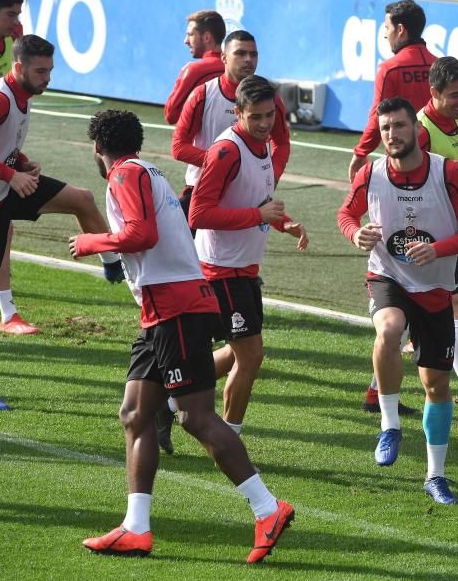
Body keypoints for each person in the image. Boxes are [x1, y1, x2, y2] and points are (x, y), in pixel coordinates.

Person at [71, 109, 294, 563]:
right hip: (162, 310)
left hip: (175, 308)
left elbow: (142, 234)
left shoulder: (124, 176)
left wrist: (93, 243)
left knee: (195, 417)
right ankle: (136, 527)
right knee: (135, 413)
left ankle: (268, 508)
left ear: (98, 149)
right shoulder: (147, 171)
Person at [0, 35, 123, 410]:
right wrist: (9, 174)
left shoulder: (22, 95)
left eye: (50, 70)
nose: (47, 78)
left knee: (81, 199)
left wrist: (20, 163)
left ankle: (116, 268)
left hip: (5, 186)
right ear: (19, 68)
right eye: (41, 71)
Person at [338, 97, 458, 504]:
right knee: (388, 329)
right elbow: (346, 215)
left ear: (417, 130)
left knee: (435, 385)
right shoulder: (370, 174)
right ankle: (389, 425)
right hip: (388, 275)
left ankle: (435, 476)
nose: (391, 135)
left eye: (399, 126)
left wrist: (438, 249)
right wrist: (356, 234)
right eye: (385, 128)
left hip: (437, 286)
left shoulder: (449, 173)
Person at [359, 56, 458, 427]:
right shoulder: (419, 131)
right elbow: (401, 167)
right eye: (455, 95)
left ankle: (377, 392)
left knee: (410, 314)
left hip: (440, 238)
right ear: (435, 93)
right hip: (426, 242)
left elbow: (456, 160)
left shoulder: (454, 120)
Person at [188, 74, 308, 439]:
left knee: (236, 352)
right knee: (251, 356)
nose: (264, 123)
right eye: (255, 116)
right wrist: (260, 217)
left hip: (244, 267)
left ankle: (165, 397)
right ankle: (229, 437)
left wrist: (282, 222)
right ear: (237, 113)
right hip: (220, 268)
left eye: (269, 115)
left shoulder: (264, 147)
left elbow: (256, 202)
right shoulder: (226, 151)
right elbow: (199, 214)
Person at [346, 0, 458, 183]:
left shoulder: (389, 69)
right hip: (444, 172)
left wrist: (361, 152)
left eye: (387, 28)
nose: (386, 35)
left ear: (400, 30)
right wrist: (454, 146)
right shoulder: (441, 68)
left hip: (407, 166)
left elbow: (377, 118)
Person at [172, 29, 290, 218]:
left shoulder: (269, 99)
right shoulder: (202, 95)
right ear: (224, 57)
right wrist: (225, 165)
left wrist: (272, 174)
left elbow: (282, 143)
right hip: (201, 188)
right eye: (241, 53)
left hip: (248, 192)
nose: (248, 59)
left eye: (253, 54)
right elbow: (178, 147)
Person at [163, 9, 225, 126]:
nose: (186, 41)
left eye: (190, 34)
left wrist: (182, 76)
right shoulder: (236, 68)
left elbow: (170, 115)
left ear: (207, 37)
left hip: (199, 144)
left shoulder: (194, 71)